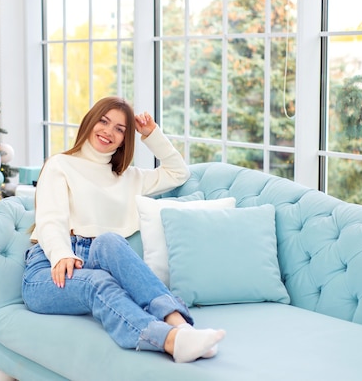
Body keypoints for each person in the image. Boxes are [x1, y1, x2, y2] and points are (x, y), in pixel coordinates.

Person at [22, 96, 226, 363]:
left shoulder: (130, 177)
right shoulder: (60, 164)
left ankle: (183, 328)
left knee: (109, 241)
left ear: (125, 139)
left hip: (96, 258)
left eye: (120, 129)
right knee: (98, 282)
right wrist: (61, 254)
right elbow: (51, 219)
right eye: (104, 121)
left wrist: (152, 134)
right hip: (49, 268)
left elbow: (178, 173)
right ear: (90, 121)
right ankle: (171, 342)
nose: (109, 131)